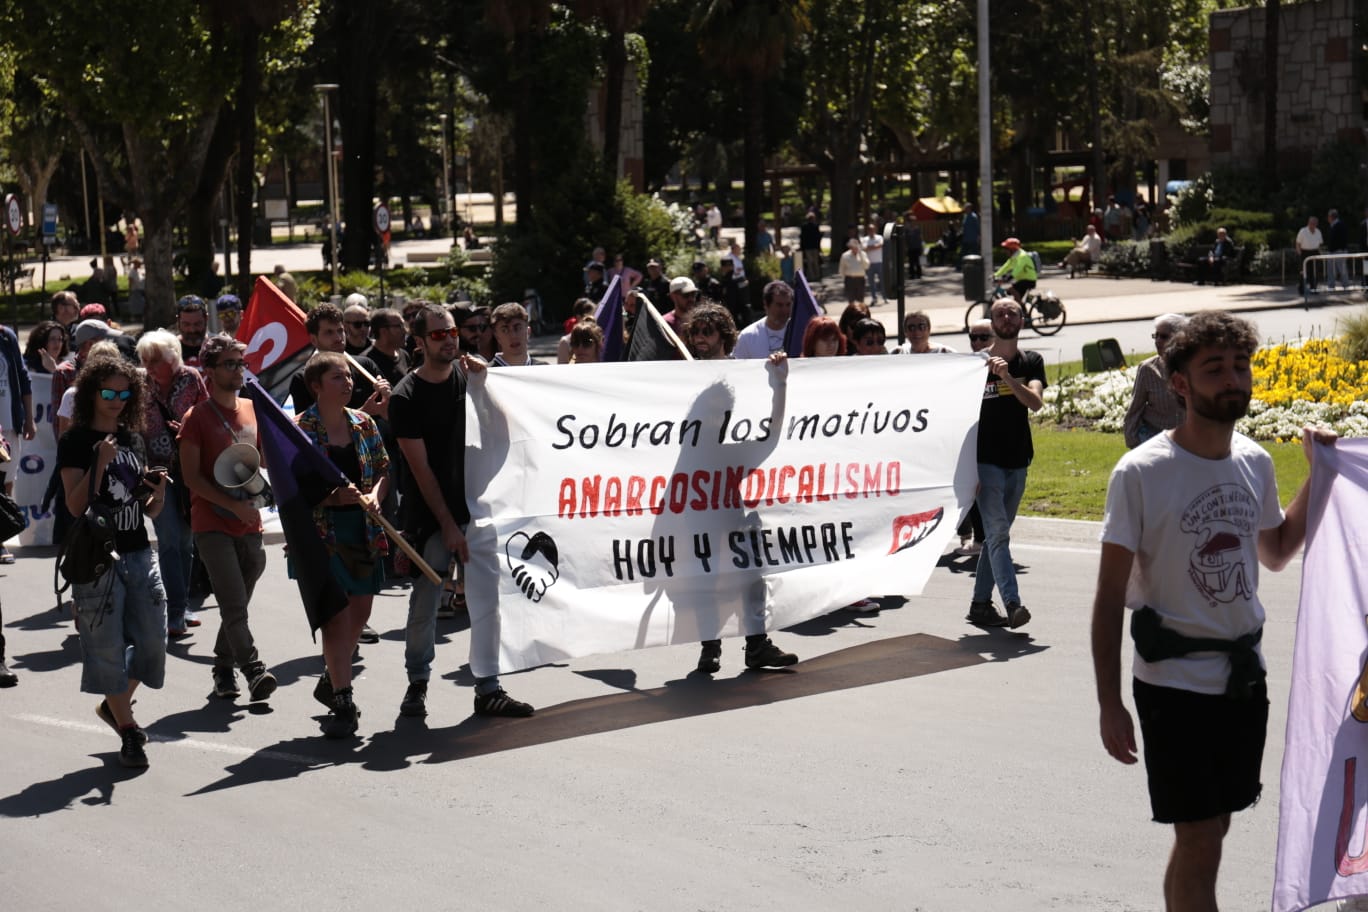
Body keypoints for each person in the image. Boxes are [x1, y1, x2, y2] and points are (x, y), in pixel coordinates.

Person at [1091, 310, 1334, 911]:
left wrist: (1317, 477)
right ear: (1180, 384)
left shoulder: (1253, 461)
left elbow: (1276, 552)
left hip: (1241, 683)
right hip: (1173, 685)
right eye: (1214, 369)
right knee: (1199, 836)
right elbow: (1106, 600)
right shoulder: (1141, 473)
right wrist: (1108, 702)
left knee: (1211, 832)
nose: (1233, 379)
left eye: (1240, 366)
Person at [390, 304, 533, 718]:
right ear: (419, 343)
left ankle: (489, 687)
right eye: (438, 335)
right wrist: (449, 527)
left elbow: (508, 431)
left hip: (479, 509)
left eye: (453, 332)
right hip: (431, 516)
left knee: (487, 600)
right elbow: (421, 471)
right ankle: (417, 682)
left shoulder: (470, 378)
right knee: (425, 603)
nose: (450, 339)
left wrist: (487, 383)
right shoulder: (406, 397)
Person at [57, 352, 168, 768]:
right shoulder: (76, 441)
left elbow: (145, 510)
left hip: (138, 548)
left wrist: (158, 493)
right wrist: (98, 464)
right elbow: (73, 505)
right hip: (97, 557)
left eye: (124, 393)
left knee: (154, 640)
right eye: (107, 392)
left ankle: (114, 705)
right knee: (106, 647)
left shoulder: (134, 438)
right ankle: (127, 730)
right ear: (90, 393)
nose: (116, 400)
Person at [295, 350, 391, 737]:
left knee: (360, 613)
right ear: (316, 386)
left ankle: (331, 677)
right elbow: (292, 487)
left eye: (349, 378)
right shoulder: (299, 430)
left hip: (364, 529)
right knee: (336, 619)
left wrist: (376, 496)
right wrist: (332, 499)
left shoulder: (364, 423)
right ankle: (344, 700)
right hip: (323, 534)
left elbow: (383, 468)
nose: (348, 383)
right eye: (338, 377)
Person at [178, 334, 276, 703]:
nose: (239, 371)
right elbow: (191, 478)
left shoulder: (253, 408)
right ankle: (252, 668)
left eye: (242, 363)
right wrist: (230, 505)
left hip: (249, 520)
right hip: (211, 523)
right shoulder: (196, 417)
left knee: (240, 597)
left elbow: (264, 460)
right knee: (233, 602)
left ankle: (222, 666)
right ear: (210, 369)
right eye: (231, 364)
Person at [967, 297, 1045, 629]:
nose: (1006, 316)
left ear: (1021, 322)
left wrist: (1008, 379)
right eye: (1000, 313)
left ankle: (980, 604)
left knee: (999, 536)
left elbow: (1036, 402)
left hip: (1018, 460)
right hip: (985, 462)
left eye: (1012, 312)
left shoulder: (1031, 361)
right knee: (997, 534)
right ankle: (1013, 603)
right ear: (992, 322)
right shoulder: (974, 365)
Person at [137, 330, 208, 638]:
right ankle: (175, 611)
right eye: (144, 360)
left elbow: (208, 416)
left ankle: (181, 605)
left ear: (172, 359)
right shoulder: (140, 383)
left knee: (185, 542)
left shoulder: (192, 379)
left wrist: (189, 430)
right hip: (155, 474)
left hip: (191, 471)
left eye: (154, 361)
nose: (148, 367)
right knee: (168, 540)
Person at [954, 319, 994, 556]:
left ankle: (984, 539)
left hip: (992, 438)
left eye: (983, 337)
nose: (977, 342)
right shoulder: (965, 365)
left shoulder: (1000, 364)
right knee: (970, 488)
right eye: (973, 337)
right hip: (968, 438)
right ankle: (976, 538)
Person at [1123, 314, 1187, 449]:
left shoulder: (1193, 368)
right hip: (1155, 440)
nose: (1157, 341)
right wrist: (1133, 441)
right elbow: (1134, 410)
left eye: (1164, 337)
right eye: (1156, 336)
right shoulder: (1147, 369)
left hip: (1187, 441)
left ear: (1180, 338)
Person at [731, 281, 793, 360]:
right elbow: (736, 368)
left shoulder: (800, 333)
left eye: (788, 305)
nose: (785, 310)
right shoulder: (747, 337)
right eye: (779, 305)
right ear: (766, 305)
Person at [490, 301, 538, 367]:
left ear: (528, 331)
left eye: (518, 328)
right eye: (505, 330)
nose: (513, 336)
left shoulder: (544, 369)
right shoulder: (487, 373)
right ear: (497, 336)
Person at [993, 237, 1038, 302]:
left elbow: (1018, 269)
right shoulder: (1014, 256)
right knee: (1014, 296)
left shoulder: (1022, 256)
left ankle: (1021, 308)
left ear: (1012, 249)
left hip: (1029, 280)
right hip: (1021, 280)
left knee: (1012, 290)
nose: (1005, 251)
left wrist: (1009, 277)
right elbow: (1006, 266)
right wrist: (995, 274)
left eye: (1006, 249)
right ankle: (1020, 309)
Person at [557, 298, 598, 364]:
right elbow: (562, 371)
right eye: (575, 343)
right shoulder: (566, 342)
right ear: (579, 317)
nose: (580, 347)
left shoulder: (599, 339)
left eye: (587, 343)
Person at [175, 295, 209, 368]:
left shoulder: (218, 347)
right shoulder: (170, 351)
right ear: (178, 321)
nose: (192, 330)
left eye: (197, 324)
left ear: (206, 319)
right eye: (186, 324)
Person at [1296, 215, 1324, 295]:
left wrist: (1320, 254)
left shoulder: (1318, 231)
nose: (1313, 225)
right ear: (1308, 223)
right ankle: (1301, 289)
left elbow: (1320, 245)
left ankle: (1314, 288)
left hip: (1315, 252)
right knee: (1303, 272)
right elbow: (1298, 243)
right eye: (1312, 223)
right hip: (1305, 252)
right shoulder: (1303, 231)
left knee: (1314, 272)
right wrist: (1300, 254)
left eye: (1315, 223)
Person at [839, 238, 869, 304]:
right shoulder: (845, 255)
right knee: (851, 299)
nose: (855, 248)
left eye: (856, 246)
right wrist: (844, 278)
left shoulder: (863, 254)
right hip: (849, 279)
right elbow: (841, 269)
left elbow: (866, 266)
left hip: (860, 279)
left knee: (861, 299)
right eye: (853, 247)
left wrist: (860, 255)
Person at [1327, 208, 1349, 290]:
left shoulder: (1339, 225)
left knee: (1342, 269)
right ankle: (1331, 285)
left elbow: (1341, 239)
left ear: (1331, 217)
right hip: (1333, 251)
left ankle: (1345, 285)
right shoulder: (1333, 225)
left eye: (1328, 217)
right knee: (1331, 269)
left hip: (1339, 251)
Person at [862, 223, 884, 303]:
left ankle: (884, 297)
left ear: (875, 230)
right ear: (868, 231)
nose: (871, 231)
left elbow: (881, 245)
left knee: (882, 281)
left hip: (879, 262)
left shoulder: (879, 237)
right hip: (869, 263)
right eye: (870, 230)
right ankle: (874, 298)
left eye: (873, 229)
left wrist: (870, 247)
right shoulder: (865, 239)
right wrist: (875, 246)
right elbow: (864, 248)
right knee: (871, 282)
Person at [800, 212, 823, 279]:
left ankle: (812, 276)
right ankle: (817, 275)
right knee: (815, 262)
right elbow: (818, 237)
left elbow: (802, 238)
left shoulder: (804, 227)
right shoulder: (815, 226)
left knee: (810, 262)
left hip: (808, 246)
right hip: (813, 246)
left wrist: (802, 247)